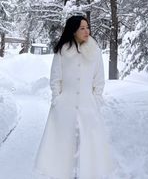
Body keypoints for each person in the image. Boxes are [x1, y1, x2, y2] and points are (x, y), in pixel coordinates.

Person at [34, 15, 112, 179]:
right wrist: (57, 99)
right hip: (65, 106)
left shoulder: (95, 51)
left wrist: (96, 101)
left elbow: (99, 80)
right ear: (73, 30)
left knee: (88, 146)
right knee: (64, 146)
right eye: (82, 28)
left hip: (88, 106)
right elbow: (56, 78)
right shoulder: (63, 51)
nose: (86, 31)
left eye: (87, 27)